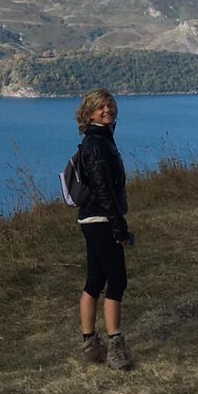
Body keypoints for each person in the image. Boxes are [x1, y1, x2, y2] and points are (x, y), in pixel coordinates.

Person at [74, 87, 133, 370]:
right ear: (89, 114)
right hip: (101, 219)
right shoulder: (97, 144)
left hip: (92, 218)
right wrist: (119, 224)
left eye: (110, 105)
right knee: (117, 280)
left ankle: (90, 343)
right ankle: (115, 346)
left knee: (95, 281)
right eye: (101, 107)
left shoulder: (99, 139)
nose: (107, 110)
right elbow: (104, 189)